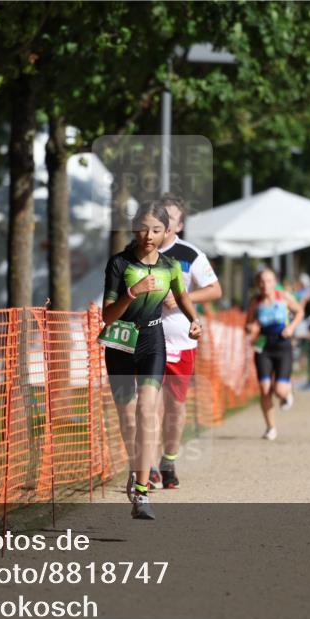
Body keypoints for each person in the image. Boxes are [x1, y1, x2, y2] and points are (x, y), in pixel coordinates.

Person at [100, 201, 202, 520]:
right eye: (143, 228)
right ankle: (136, 469)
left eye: (156, 230)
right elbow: (107, 315)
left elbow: (182, 294)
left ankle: (142, 493)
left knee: (147, 412)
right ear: (134, 228)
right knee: (128, 418)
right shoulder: (119, 264)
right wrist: (132, 293)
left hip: (152, 341)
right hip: (119, 341)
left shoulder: (170, 265)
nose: (149, 235)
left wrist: (193, 319)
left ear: (165, 232)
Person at [151, 193, 222, 490]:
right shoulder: (140, 252)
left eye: (171, 218)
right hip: (149, 341)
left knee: (175, 408)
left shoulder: (190, 255)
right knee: (149, 405)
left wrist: (181, 298)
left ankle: (169, 460)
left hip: (181, 343)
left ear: (179, 225)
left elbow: (215, 290)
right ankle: (149, 467)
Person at [245, 268, 302, 441]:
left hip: (283, 345)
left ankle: (286, 392)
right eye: (261, 281)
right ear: (257, 284)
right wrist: (251, 328)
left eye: (269, 281)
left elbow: (299, 311)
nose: (265, 285)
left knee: (279, 390)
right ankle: (271, 428)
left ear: (274, 282)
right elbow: (247, 324)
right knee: (264, 389)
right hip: (264, 346)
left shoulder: (283, 297)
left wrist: (291, 328)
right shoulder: (255, 302)